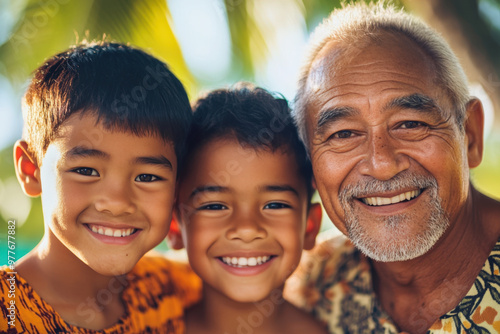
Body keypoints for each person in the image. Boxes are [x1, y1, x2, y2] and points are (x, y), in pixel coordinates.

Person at [284, 2, 500, 333]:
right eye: (343, 134)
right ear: (310, 165)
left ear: (469, 135)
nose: (382, 164)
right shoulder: (309, 286)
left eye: (410, 124)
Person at [1, 41, 201, 333]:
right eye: (86, 170)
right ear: (31, 169)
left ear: (177, 188)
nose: (117, 202)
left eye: (147, 177)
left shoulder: (173, 289)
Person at [171, 83, 328, 334]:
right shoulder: (147, 325)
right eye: (214, 206)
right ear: (175, 226)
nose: (246, 229)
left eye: (275, 205)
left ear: (309, 226)